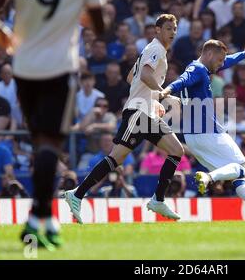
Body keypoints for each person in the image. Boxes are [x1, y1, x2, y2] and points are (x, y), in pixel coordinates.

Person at [0, 0, 110, 250]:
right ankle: (36, 218)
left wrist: (3, 32)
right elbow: (100, 26)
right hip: (60, 70)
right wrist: (74, 11)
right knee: (50, 145)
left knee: (41, 143)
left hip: (25, 68)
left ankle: (47, 219)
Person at [65, 14, 186, 222]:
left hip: (145, 111)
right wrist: (163, 94)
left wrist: (152, 99)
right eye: (168, 28)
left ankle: (158, 198)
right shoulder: (156, 49)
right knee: (116, 157)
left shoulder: (152, 51)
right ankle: (76, 194)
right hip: (138, 113)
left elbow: (132, 77)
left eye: (175, 28)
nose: (172, 32)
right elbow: (145, 76)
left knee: (176, 150)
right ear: (157, 30)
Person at [160, 39, 245, 220]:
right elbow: (182, 80)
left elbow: (226, 62)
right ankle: (209, 178)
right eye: (219, 60)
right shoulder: (198, 70)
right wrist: (166, 90)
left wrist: (244, 53)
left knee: (237, 176)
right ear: (209, 54)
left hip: (193, 138)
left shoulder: (199, 67)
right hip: (208, 131)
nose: (221, 65)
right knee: (243, 168)